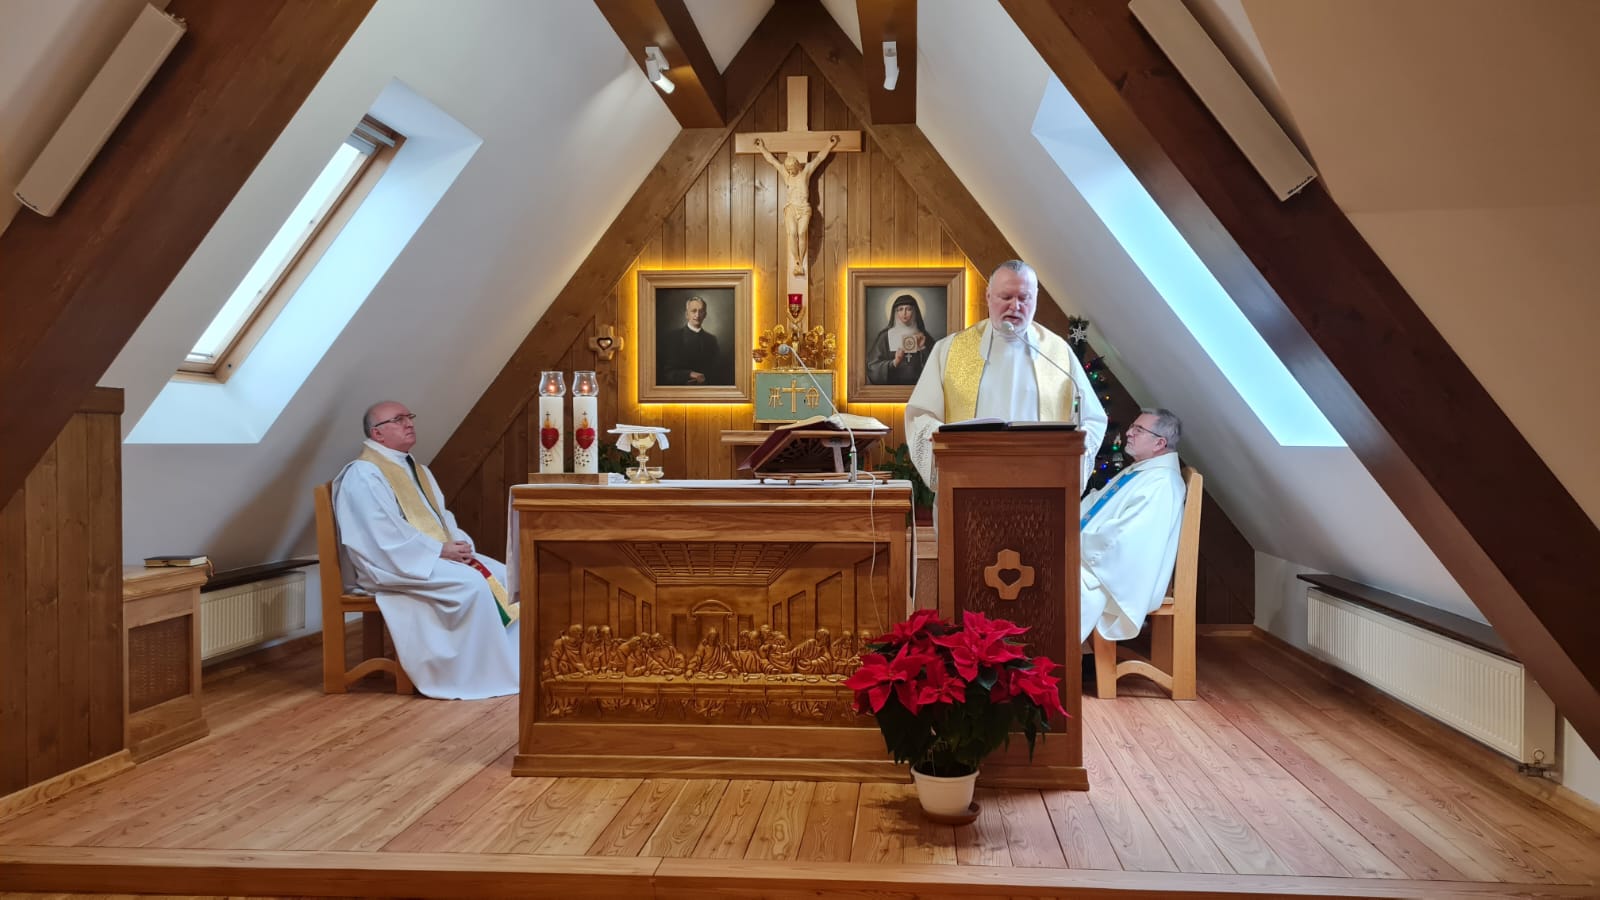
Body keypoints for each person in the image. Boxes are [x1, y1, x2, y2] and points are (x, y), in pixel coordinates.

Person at [332, 401, 520, 700]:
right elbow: (381, 534)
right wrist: (439, 550)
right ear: (377, 433)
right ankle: (466, 674)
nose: (409, 423)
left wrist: (458, 543)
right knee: (471, 584)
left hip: (425, 554)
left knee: (504, 576)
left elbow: (441, 517)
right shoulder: (364, 474)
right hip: (391, 563)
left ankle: (509, 666)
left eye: (409, 417)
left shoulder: (417, 469)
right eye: (398, 419)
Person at [905, 260, 1107, 490]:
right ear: (988, 296)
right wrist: (939, 437)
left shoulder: (1057, 352)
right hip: (967, 484)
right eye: (1006, 297)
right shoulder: (950, 349)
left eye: (1024, 298)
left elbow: (1092, 419)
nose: (1015, 306)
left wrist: (1075, 449)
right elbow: (920, 414)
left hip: (1041, 486)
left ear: (1035, 299)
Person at [1079, 408, 1187, 642]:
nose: (1129, 433)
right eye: (1132, 427)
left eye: (1138, 430)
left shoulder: (1162, 482)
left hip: (1113, 572)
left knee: (1060, 579)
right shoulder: (1142, 471)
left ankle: (1050, 654)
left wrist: (1074, 543)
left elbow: (1125, 540)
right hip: (1094, 557)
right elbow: (1096, 503)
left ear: (1159, 443)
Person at [754, 134, 837, 276]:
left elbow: (819, 158)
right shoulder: (786, 174)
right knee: (792, 233)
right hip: (791, 207)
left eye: (792, 169)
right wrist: (761, 148)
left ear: (797, 166)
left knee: (802, 233)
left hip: (804, 208)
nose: (790, 172)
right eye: (788, 170)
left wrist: (829, 145)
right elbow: (772, 161)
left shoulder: (806, 172)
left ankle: (801, 261)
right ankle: (797, 262)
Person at [658, 296, 728, 385]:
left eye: (701, 311)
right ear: (687, 315)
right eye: (693, 311)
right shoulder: (674, 338)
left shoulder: (711, 340)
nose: (697, 315)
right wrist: (690, 374)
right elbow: (667, 373)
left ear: (705, 315)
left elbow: (717, 372)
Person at [866, 294, 931, 386]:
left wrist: (923, 348)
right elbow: (872, 367)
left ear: (914, 311)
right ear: (895, 312)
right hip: (893, 389)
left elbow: (936, 366)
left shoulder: (923, 336)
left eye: (908, 309)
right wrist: (894, 362)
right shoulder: (885, 337)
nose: (904, 313)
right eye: (900, 309)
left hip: (919, 388)